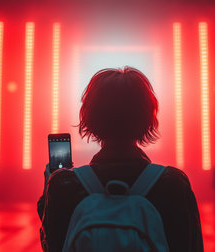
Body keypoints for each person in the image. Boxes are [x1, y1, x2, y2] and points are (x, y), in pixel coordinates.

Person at [37, 67, 203, 251]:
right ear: (148, 117)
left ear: (90, 118)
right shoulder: (173, 184)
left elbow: (53, 245)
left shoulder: (64, 185)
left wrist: (49, 190)